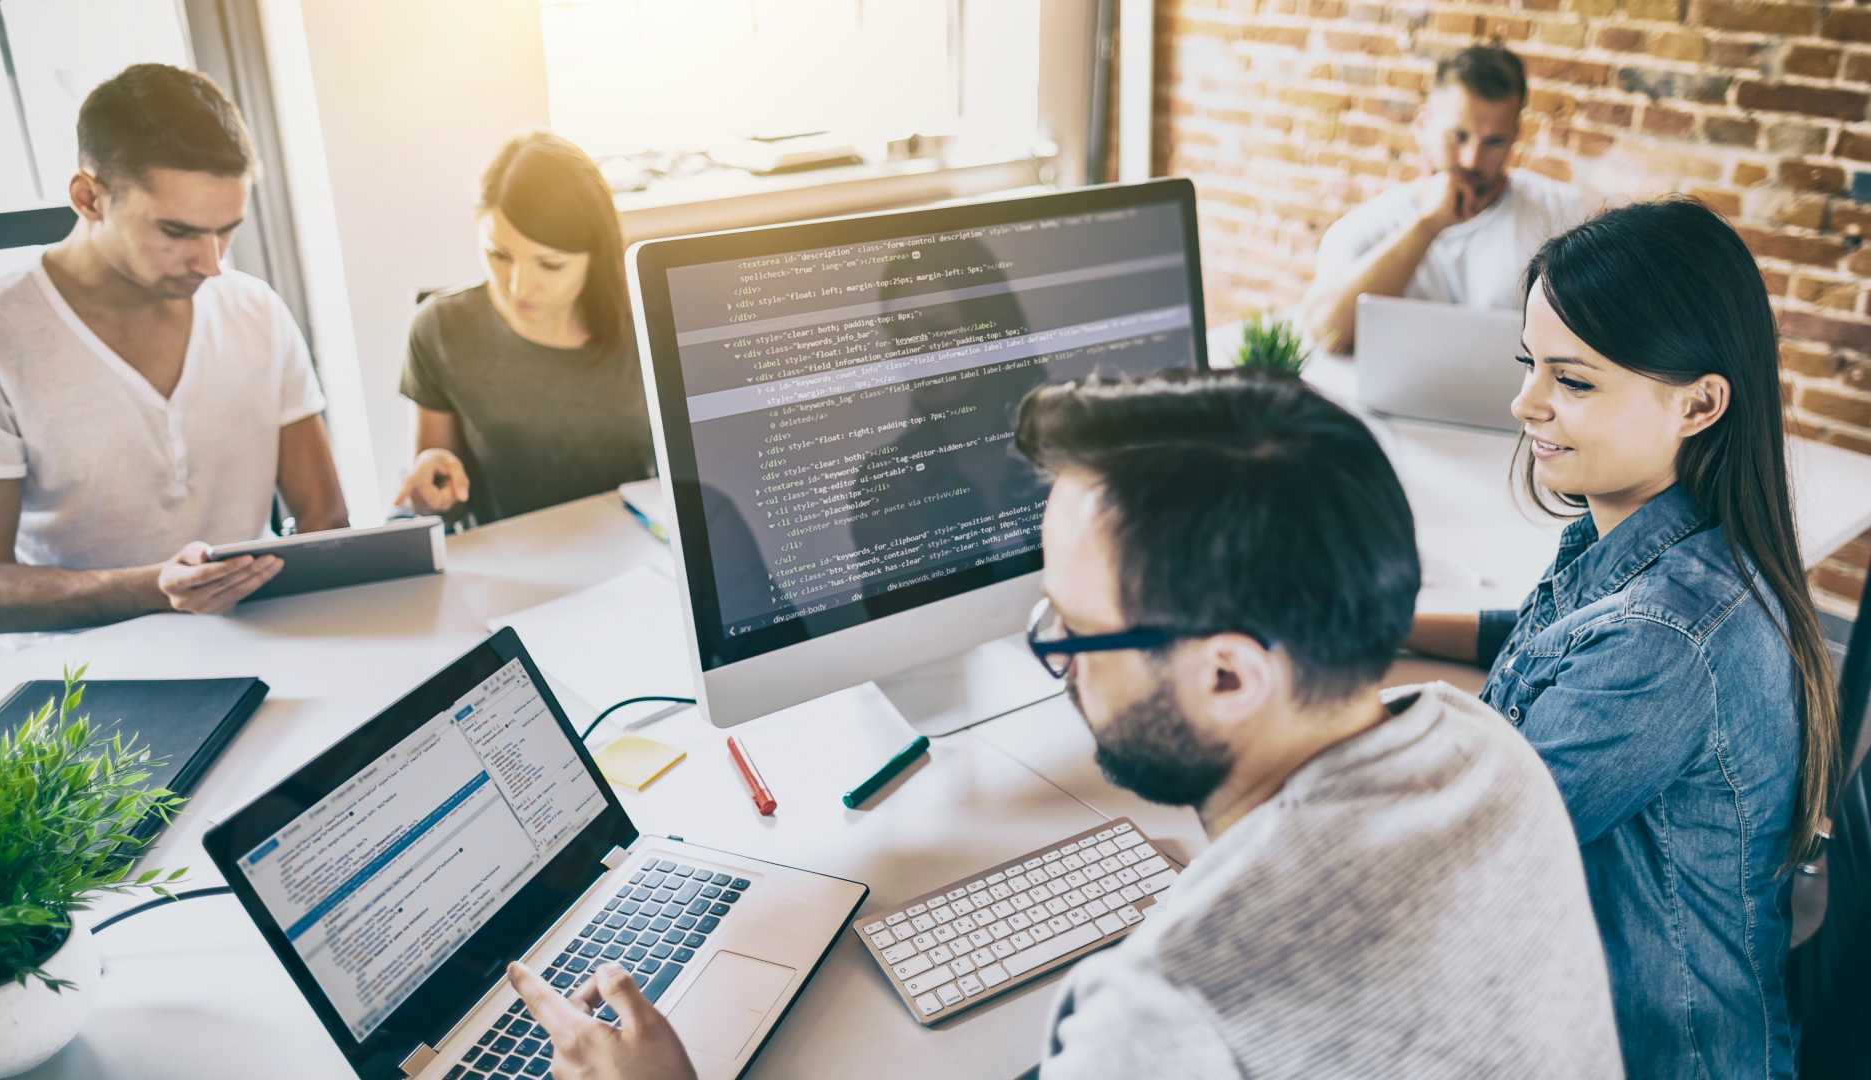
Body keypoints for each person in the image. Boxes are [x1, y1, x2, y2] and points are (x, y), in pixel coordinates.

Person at [501, 370, 1623, 1078]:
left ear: (1230, 677)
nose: (1051, 659)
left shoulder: (1168, 1010)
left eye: (1072, 633)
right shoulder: (1486, 752)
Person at [1406, 198, 1839, 1078]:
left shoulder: (1667, 639)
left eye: (1573, 380)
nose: (1524, 402)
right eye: (1530, 363)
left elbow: (1456, 857)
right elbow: (1551, 642)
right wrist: (1382, 623)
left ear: (1698, 404)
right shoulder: (1665, 546)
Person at [0, 63, 346, 650]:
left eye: (226, 230)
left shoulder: (255, 309)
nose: (211, 263)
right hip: (79, 694)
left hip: (265, 649)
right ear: (89, 198)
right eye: (178, 231)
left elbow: (325, 523)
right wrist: (155, 589)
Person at [393, 132, 654, 525]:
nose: (518, 286)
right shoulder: (440, 330)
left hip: (641, 548)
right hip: (512, 562)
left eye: (549, 265)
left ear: (595, 257)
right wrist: (430, 486)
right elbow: (440, 505)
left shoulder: (648, 321)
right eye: (498, 255)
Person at [1300, 44, 1589, 353]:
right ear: (1423, 125)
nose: (1472, 160)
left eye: (1494, 142)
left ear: (1515, 135)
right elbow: (1326, 334)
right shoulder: (1365, 226)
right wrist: (1427, 225)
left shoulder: (1563, 213)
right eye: (1458, 136)